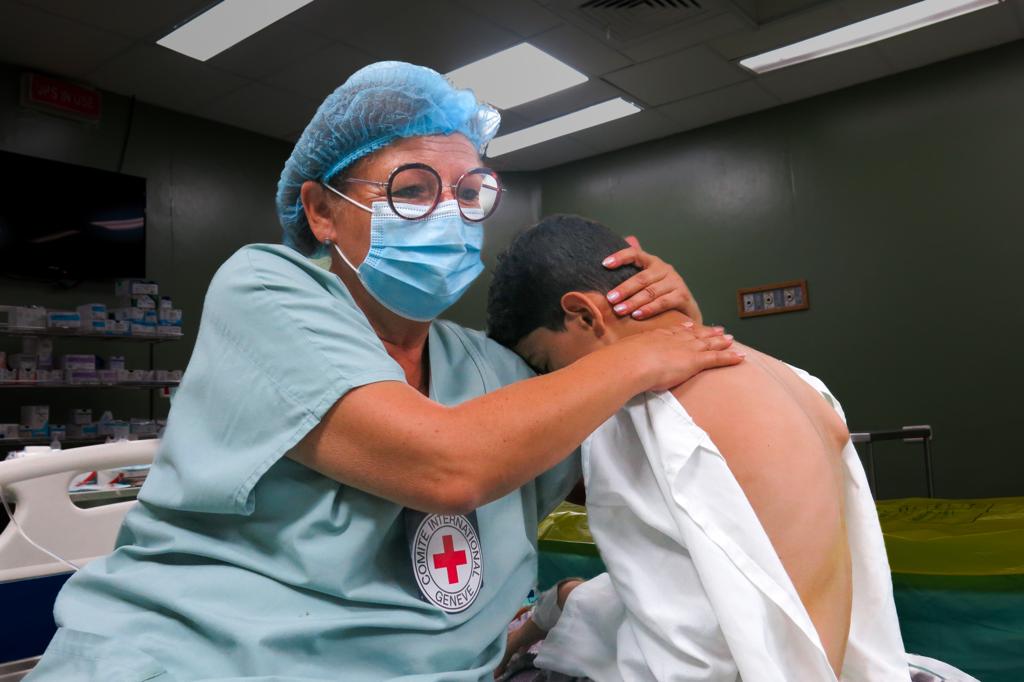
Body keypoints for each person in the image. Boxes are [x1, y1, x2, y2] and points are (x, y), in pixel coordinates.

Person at [26, 63, 744, 681]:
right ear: (322, 212)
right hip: (202, 661)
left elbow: (657, 471)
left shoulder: (491, 370)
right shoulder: (267, 290)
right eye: (411, 188)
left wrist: (667, 323)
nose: (449, 216)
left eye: (469, 195)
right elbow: (448, 466)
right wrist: (643, 354)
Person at [486, 215, 980, 682]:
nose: (557, 383)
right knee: (582, 602)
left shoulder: (644, 414)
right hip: (844, 662)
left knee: (574, 612)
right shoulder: (796, 379)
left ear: (583, 313)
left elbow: (688, 649)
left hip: (760, 667)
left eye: (546, 363)